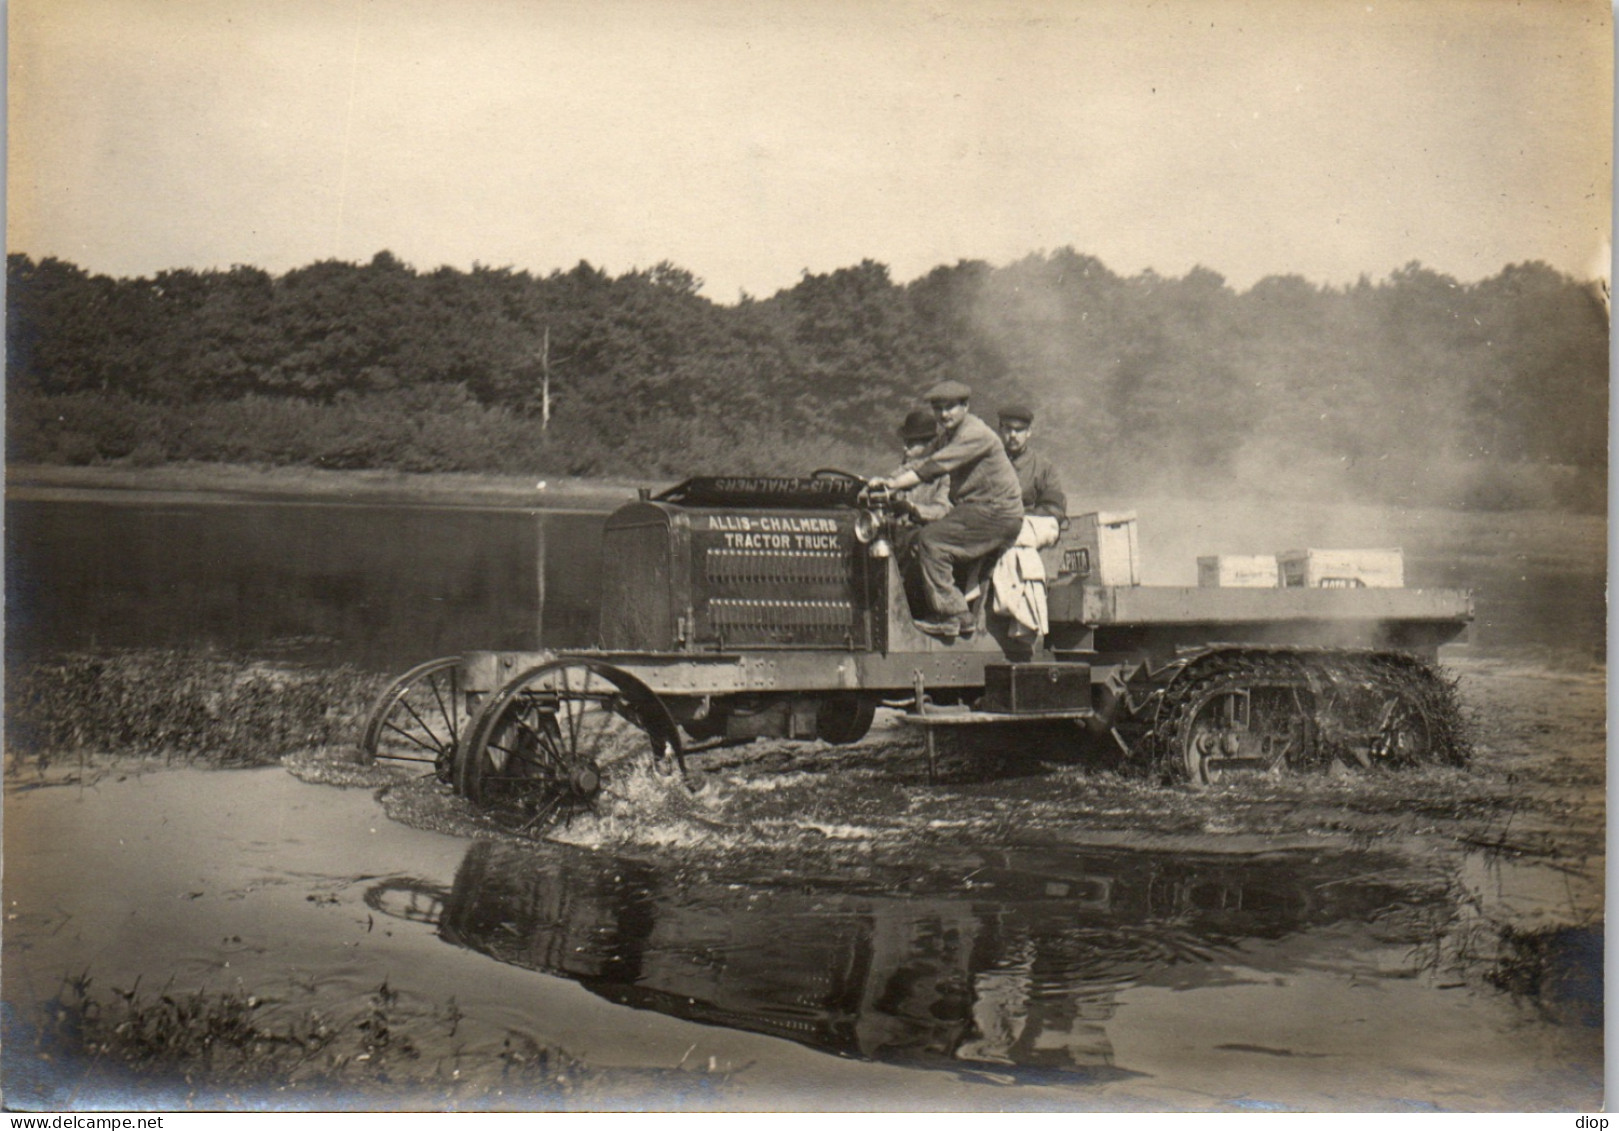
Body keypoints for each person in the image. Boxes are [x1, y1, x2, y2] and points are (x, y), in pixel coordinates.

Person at [868, 381, 1024, 638]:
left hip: (998, 513)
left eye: (950, 407)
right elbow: (920, 460)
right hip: (975, 510)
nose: (944, 415)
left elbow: (932, 468)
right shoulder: (948, 435)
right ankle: (931, 609)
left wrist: (894, 485)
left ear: (966, 406)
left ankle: (955, 615)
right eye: (938, 409)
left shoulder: (975, 434)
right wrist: (883, 481)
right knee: (918, 538)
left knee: (932, 541)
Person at [997, 403, 1067, 523]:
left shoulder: (1043, 468)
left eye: (1019, 430)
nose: (1013, 435)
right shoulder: (984, 464)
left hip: (1026, 529)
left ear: (1028, 432)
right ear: (1000, 430)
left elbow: (1054, 508)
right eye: (1008, 428)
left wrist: (1021, 517)